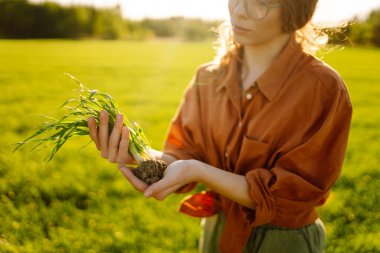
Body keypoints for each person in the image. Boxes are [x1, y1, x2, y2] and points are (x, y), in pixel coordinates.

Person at [87, 0, 352, 252]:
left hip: (283, 241)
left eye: (261, 3)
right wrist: (138, 154)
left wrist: (198, 171)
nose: (239, 11)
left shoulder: (322, 88)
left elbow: (292, 195)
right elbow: (184, 156)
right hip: (217, 231)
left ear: (297, 10)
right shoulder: (208, 77)